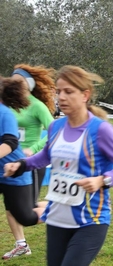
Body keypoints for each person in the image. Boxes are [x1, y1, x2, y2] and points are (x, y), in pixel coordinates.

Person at [4, 65, 113, 265]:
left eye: (68, 92)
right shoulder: (55, 127)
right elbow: (45, 157)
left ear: (85, 95)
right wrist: (21, 165)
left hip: (90, 220)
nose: (61, 98)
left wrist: (102, 180)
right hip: (57, 218)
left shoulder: (101, 130)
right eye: (58, 92)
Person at [2, 64, 56, 260]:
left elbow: (54, 131)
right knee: (10, 205)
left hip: (30, 163)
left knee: (28, 210)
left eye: (19, 81)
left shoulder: (37, 105)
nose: (14, 83)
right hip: (9, 163)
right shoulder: (8, 105)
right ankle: (21, 244)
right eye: (12, 80)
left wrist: (32, 149)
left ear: (29, 85)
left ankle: (67, 204)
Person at [0, 77, 44, 259]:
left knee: (26, 216)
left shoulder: (5, 114)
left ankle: (65, 204)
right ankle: (21, 245)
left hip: (14, 172)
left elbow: (10, 142)